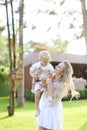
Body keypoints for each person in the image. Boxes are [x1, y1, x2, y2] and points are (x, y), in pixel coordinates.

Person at [37, 60, 80, 130]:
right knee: (41, 127)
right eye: (57, 65)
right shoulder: (52, 78)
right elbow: (42, 88)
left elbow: (51, 101)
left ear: (63, 72)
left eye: (59, 67)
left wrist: (50, 85)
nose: (56, 67)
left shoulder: (62, 85)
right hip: (44, 107)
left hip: (52, 109)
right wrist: (44, 82)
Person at [30, 50, 54, 116]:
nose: (46, 62)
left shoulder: (49, 66)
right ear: (40, 58)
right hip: (38, 82)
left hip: (46, 81)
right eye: (44, 61)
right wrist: (34, 75)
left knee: (49, 82)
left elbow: (52, 74)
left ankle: (50, 96)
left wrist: (49, 77)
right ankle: (37, 109)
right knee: (37, 95)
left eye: (47, 61)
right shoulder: (36, 65)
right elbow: (31, 71)